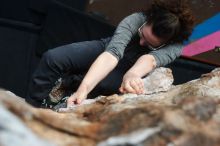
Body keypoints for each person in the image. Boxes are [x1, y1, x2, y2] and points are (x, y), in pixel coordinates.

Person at [26, 0, 195, 108]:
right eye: (142, 35)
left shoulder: (175, 46)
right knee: (53, 58)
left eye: (150, 44)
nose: (142, 43)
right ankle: (31, 108)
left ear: (166, 43)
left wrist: (132, 75)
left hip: (132, 68)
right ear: (148, 20)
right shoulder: (137, 18)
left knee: (103, 84)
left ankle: (65, 97)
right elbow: (112, 53)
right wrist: (84, 89)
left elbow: (149, 60)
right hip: (109, 48)